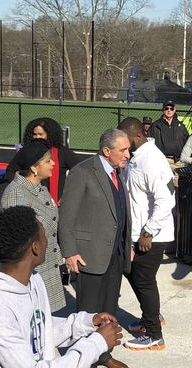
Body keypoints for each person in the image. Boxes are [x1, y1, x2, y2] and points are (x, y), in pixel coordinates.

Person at [0, 206, 123, 367]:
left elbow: (40, 330)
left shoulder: (33, 278)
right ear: (35, 247)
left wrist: (86, 323)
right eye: (45, 237)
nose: (48, 242)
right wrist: (97, 344)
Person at [59, 128, 132, 368]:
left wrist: (126, 243)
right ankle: (83, 359)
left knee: (109, 308)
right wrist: (69, 251)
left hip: (114, 255)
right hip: (88, 256)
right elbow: (67, 217)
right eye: (123, 150)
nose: (128, 154)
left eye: (128, 149)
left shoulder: (117, 172)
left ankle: (103, 354)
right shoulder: (82, 172)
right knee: (88, 314)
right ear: (106, 150)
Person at [117, 118, 176, 351]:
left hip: (152, 234)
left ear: (136, 137)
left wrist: (148, 232)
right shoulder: (138, 156)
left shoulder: (150, 160)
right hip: (138, 231)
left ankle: (154, 335)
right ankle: (151, 317)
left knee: (144, 280)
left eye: (123, 137)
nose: (120, 141)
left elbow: (166, 199)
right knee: (132, 273)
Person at [0, 140, 66, 312]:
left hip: (48, 270)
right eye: (47, 161)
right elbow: (15, 244)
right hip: (31, 275)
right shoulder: (15, 194)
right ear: (33, 168)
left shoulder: (40, 188)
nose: (53, 163)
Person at [7, 118, 84, 200]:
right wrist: (21, 188)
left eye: (41, 134)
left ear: (50, 135)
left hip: (55, 204)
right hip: (30, 200)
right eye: (35, 134)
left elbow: (83, 170)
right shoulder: (26, 151)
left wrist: (70, 193)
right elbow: (10, 172)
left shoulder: (62, 153)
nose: (37, 137)